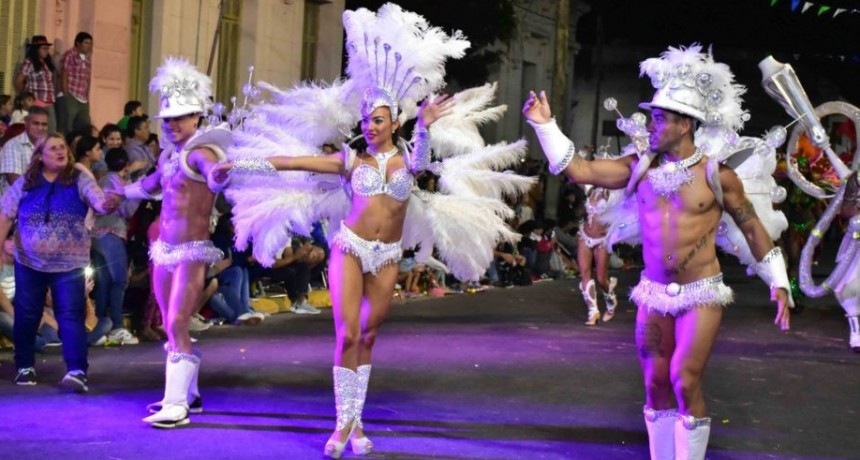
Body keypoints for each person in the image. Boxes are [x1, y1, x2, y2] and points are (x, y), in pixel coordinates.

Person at [523, 45, 792, 459]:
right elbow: (579, 170)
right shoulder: (638, 167)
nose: (652, 124)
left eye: (660, 118)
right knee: (655, 385)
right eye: (652, 116)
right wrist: (545, 126)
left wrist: (779, 282)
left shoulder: (717, 175)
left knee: (685, 381)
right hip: (653, 293)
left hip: (701, 293)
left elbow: (752, 226)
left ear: (685, 124)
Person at [124, 58, 229, 428]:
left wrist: (217, 179)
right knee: (170, 322)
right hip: (163, 249)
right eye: (167, 119)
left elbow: (213, 177)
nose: (171, 125)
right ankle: (191, 395)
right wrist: (120, 192)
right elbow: (152, 185)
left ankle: (176, 405)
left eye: (179, 118)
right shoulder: (169, 154)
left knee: (178, 323)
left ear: (197, 118)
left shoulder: (203, 153)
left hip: (190, 252)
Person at [0, 132, 119, 392]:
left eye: (62, 147)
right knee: (27, 315)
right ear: (40, 156)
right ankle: (24, 366)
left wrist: (109, 202)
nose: (59, 152)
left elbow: (99, 203)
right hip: (29, 262)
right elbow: (5, 215)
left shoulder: (79, 180)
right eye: (52, 148)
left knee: (70, 315)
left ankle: (77, 370)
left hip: (69, 264)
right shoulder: (26, 182)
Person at [578, 181, 619, 325]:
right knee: (584, 273)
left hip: (602, 239)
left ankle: (610, 297)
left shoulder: (612, 192)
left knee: (601, 279)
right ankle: (593, 311)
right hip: (585, 235)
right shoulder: (590, 190)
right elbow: (576, 174)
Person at [1, 106, 50, 195]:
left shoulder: (49, 146)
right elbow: (15, 182)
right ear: (26, 123)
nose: (40, 128)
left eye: (44, 124)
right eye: (35, 123)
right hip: (17, 204)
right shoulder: (13, 145)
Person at [15, 36, 57, 132]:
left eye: (47, 48)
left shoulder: (47, 63)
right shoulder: (29, 63)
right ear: (36, 50)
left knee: (51, 130)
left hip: (49, 101)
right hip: (37, 100)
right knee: (38, 130)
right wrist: (26, 96)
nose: (46, 51)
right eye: (44, 48)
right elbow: (19, 81)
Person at [58, 32, 93, 134]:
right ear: (78, 43)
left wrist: (87, 96)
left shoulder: (87, 59)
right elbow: (64, 73)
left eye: (90, 43)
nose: (88, 46)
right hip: (71, 94)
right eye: (86, 43)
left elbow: (87, 78)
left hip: (83, 98)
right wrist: (66, 94)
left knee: (84, 126)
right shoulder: (70, 55)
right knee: (67, 126)